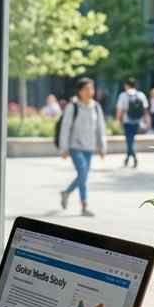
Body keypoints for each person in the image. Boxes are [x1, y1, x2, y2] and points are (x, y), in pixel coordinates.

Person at [58, 77, 106, 218]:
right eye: (86, 88)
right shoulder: (72, 106)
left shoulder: (96, 107)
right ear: (79, 91)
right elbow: (65, 128)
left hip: (89, 147)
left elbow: (100, 128)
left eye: (92, 88)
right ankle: (84, 206)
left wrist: (102, 147)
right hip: (75, 146)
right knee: (83, 173)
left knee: (83, 176)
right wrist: (63, 148)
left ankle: (67, 192)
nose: (90, 91)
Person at [115, 77, 148, 168]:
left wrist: (117, 120)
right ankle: (127, 158)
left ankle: (134, 157)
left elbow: (119, 109)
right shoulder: (141, 94)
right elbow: (145, 109)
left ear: (127, 85)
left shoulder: (123, 95)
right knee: (131, 140)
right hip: (137, 120)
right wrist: (146, 120)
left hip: (127, 120)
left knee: (129, 140)